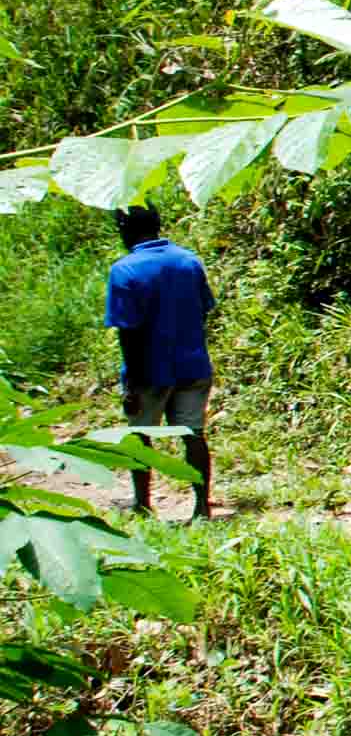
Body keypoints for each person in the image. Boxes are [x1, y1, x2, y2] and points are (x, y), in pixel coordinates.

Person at [103, 204, 215, 521]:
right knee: (193, 435)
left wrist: (132, 384)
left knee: (140, 436)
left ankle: (142, 504)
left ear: (124, 228)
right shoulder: (189, 261)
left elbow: (128, 332)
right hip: (193, 365)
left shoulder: (124, 270)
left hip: (149, 370)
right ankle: (202, 507)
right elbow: (204, 308)